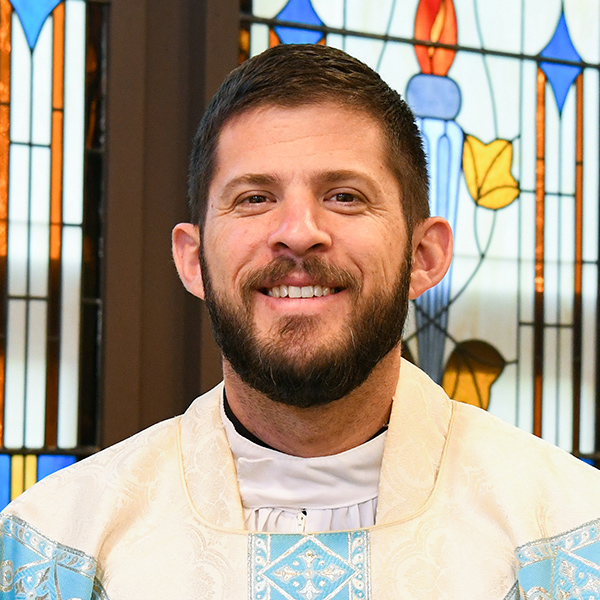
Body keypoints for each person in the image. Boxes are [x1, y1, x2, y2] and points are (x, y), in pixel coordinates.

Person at [2, 43, 600, 600]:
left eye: (344, 195)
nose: (298, 232)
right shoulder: (56, 551)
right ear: (193, 259)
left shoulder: (570, 537)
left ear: (424, 256)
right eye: (255, 198)